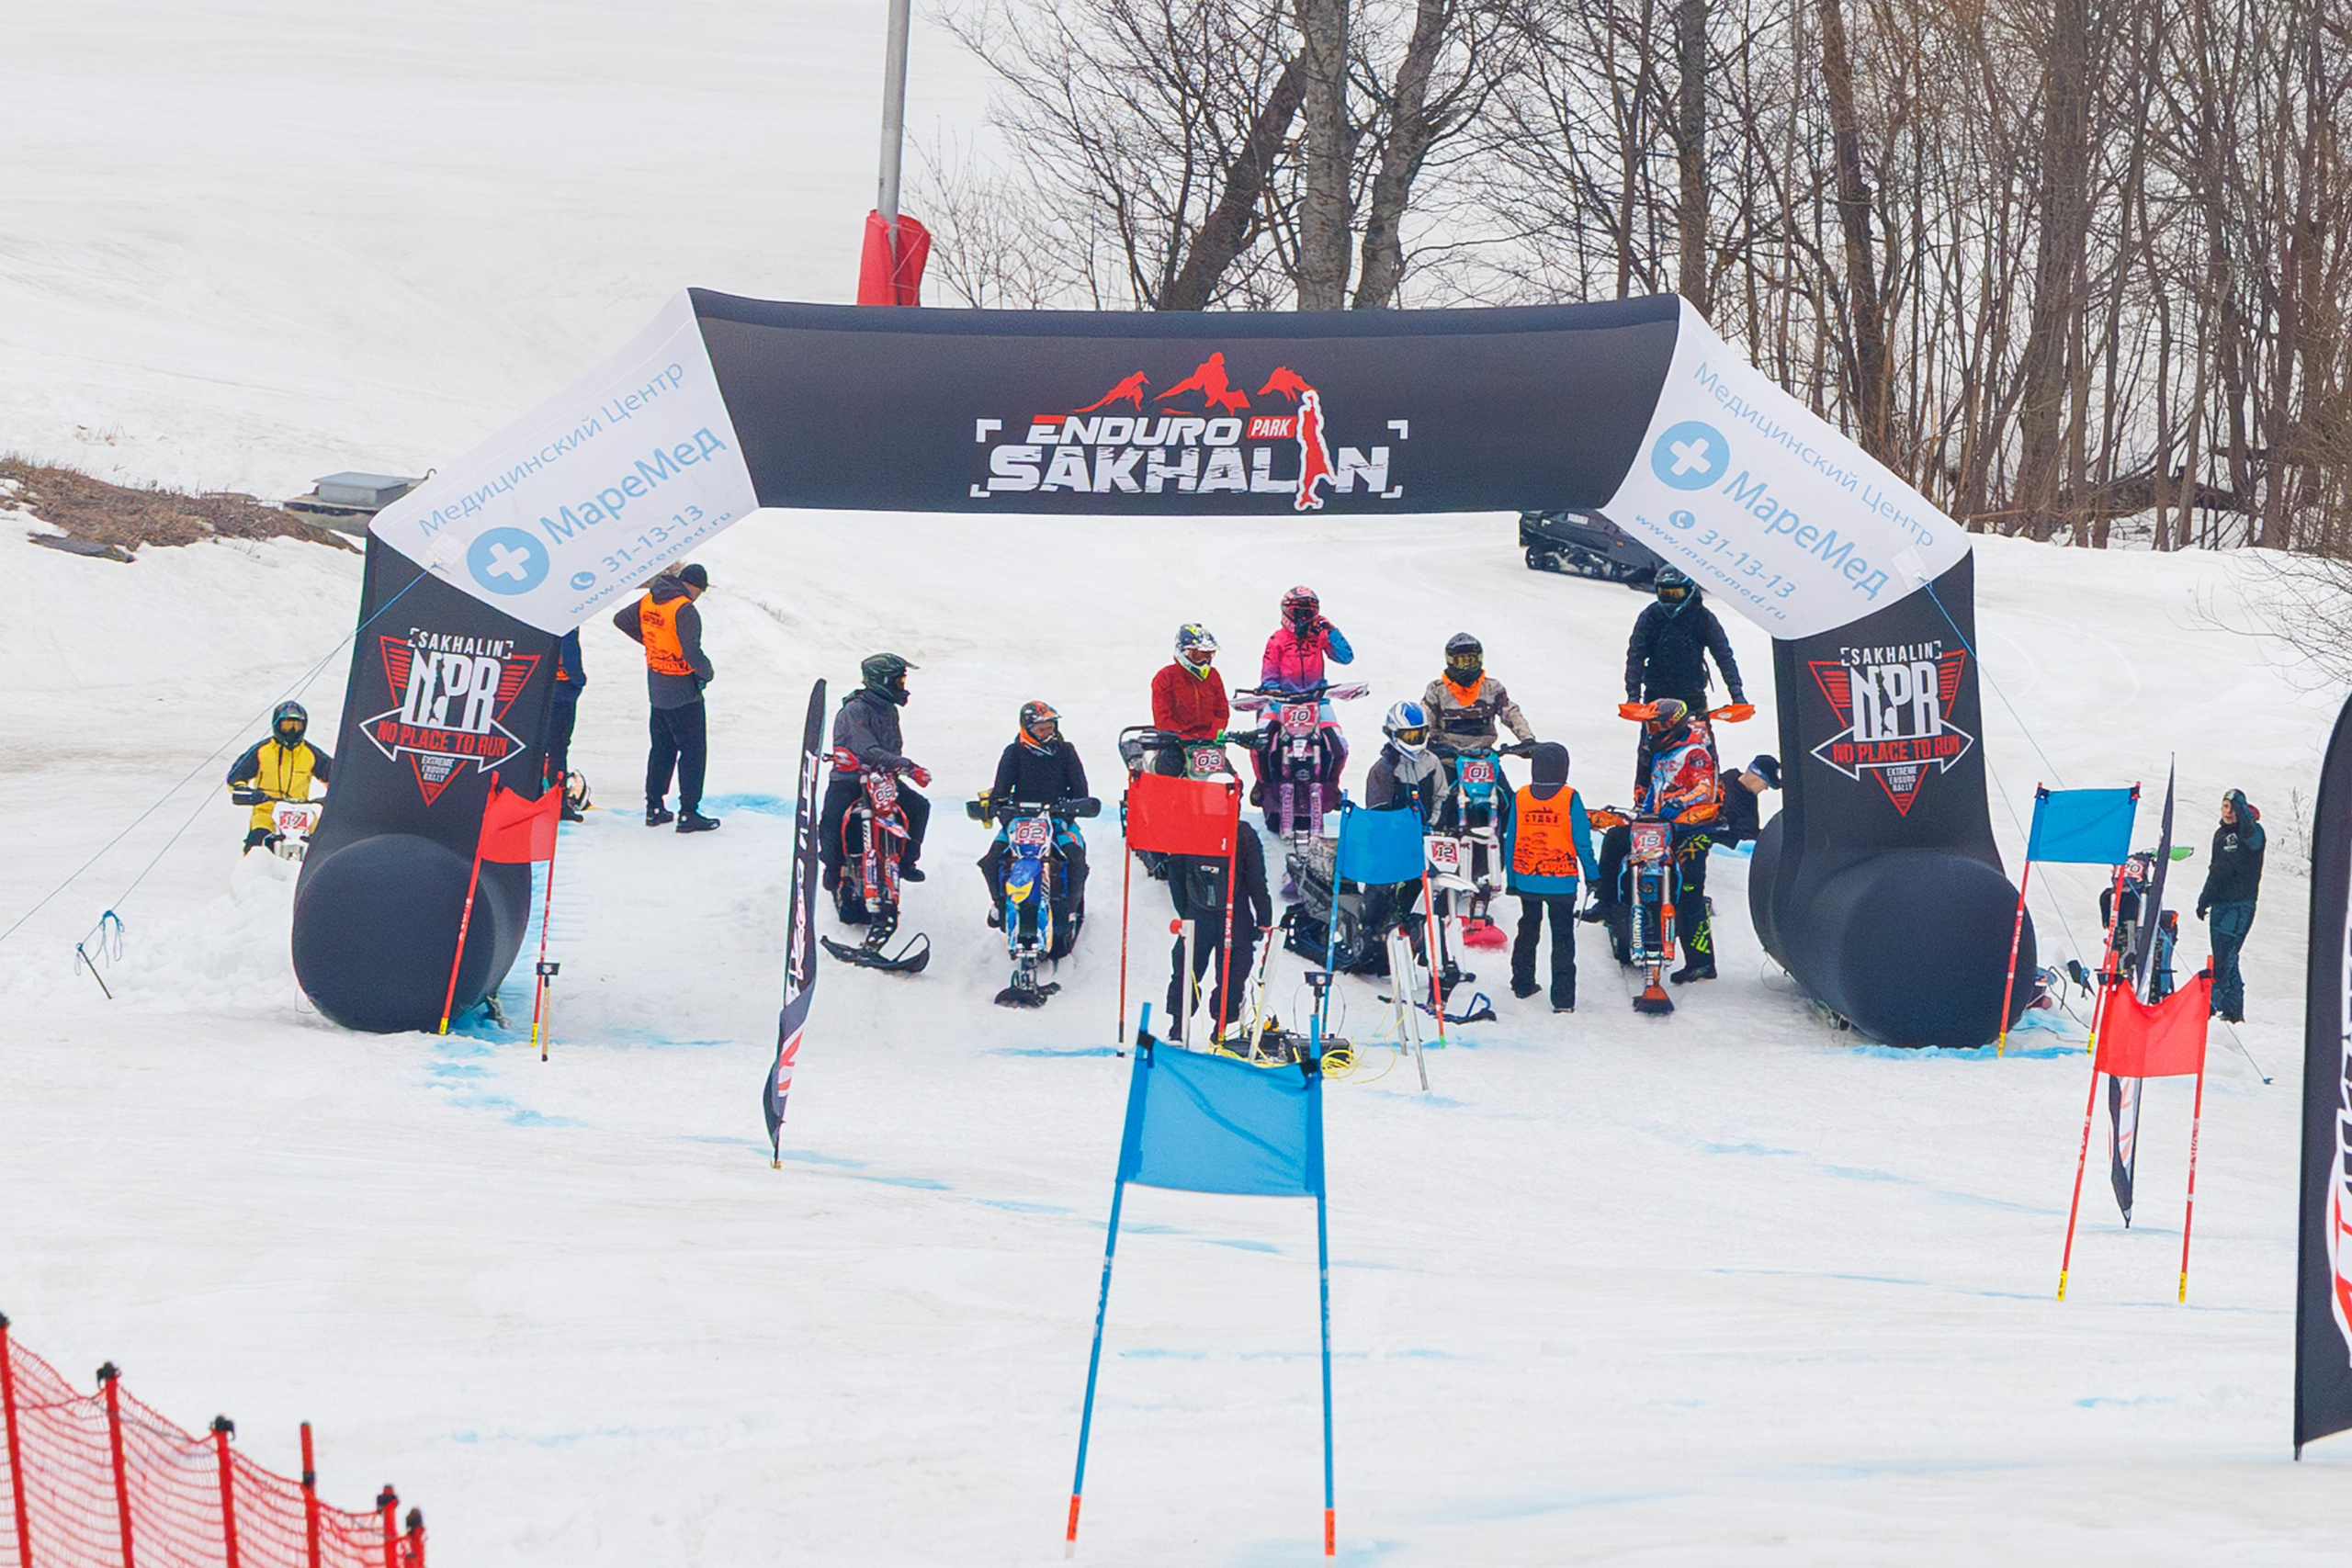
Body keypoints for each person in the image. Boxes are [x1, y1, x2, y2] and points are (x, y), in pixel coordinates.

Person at [1589, 699, 1724, 981]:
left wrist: (1680, 801)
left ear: (1674, 725)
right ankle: (1608, 901)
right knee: (1615, 839)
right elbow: (1655, 788)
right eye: (1650, 725)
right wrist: (1643, 815)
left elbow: (1705, 789)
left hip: (1690, 831)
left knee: (1688, 895)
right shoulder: (1661, 754)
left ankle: (1701, 963)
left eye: (1657, 725)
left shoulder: (1696, 753)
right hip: (1659, 826)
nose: (1653, 731)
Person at [612, 563, 718, 833]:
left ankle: (654, 807)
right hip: (683, 692)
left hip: (657, 688)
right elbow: (691, 653)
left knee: (662, 748)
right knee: (693, 752)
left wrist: (653, 644)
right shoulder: (684, 609)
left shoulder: (651, 598)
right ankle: (689, 813)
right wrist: (707, 672)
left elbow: (621, 619)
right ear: (694, 586)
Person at [820, 653, 933, 892]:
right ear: (882, 680)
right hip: (850, 778)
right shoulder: (856, 710)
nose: (902, 687)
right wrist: (909, 767)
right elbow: (867, 750)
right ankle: (832, 867)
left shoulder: (888, 709)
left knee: (919, 806)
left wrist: (896, 768)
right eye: (899, 681)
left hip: (882, 781)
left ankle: (906, 862)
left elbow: (890, 747)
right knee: (832, 820)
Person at [1499, 742, 1598, 1010]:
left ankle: (1522, 983)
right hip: (1561, 880)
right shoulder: (1569, 797)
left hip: (1527, 876)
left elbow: (1511, 840)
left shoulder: (1521, 797)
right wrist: (1593, 875)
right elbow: (1583, 842)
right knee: (1563, 936)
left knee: (1528, 928)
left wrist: (1512, 880)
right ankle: (1563, 999)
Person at [978, 701, 1091, 919]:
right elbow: (1000, 791)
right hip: (1021, 822)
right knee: (991, 860)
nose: (1047, 734)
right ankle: (998, 904)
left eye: (1050, 728)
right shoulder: (1014, 753)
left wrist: (1071, 809)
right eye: (1041, 729)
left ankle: (1070, 908)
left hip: (1058, 820)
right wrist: (997, 808)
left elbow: (1081, 790)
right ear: (1027, 730)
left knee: (1075, 857)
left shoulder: (1066, 751)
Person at [1254, 586, 1354, 810]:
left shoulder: (1319, 638)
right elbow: (1268, 676)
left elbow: (1346, 657)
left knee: (1339, 746)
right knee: (1259, 742)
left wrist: (1332, 631)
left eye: (1309, 613)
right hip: (1282, 702)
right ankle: (1262, 784)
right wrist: (1272, 691)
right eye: (1298, 612)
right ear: (1287, 612)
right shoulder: (1276, 640)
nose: (1303, 618)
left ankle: (1332, 786)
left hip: (1316, 701)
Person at [1168, 821, 1271, 1038]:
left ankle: (1193, 1027)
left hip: (1215, 913)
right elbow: (1256, 878)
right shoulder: (1242, 833)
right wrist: (1264, 917)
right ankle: (1204, 1027)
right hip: (1224, 914)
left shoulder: (1191, 829)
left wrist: (1185, 912)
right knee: (1206, 969)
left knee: (1198, 968)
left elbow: (1175, 876)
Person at [1624, 567, 1747, 715]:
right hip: (1656, 697)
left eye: (1676, 594)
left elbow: (1724, 656)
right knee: (1655, 736)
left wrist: (1737, 695)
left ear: (1689, 591)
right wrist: (1633, 697)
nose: (1671, 600)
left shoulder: (1703, 617)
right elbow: (1636, 656)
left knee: (1698, 736)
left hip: (1692, 697)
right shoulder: (1651, 615)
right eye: (1665, 593)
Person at [2196, 788, 2265, 1023]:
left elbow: (2253, 841)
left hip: (2240, 904)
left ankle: (2215, 1005)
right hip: (2220, 903)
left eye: (2232, 808)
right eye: (2225, 806)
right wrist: (2204, 899)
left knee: (2227, 954)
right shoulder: (2219, 836)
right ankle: (2233, 1010)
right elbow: (2215, 871)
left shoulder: (2253, 833)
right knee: (2223, 956)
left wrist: (2242, 811)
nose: (2228, 812)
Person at [226, 700, 331, 852]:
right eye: (287, 726)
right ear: (276, 724)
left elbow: (335, 776)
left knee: (321, 848)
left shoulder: (311, 753)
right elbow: (235, 777)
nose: (292, 731)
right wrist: (245, 792)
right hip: (267, 810)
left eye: (297, 726)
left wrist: (335, 797)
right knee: (256, 845)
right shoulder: (262, 750)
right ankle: (254, 871)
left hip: (301, 812)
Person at [1422, 633, 1536, 766]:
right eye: (1461, 661)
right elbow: (1425, 717)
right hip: (1449, 759)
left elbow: (1511, 713)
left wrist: (1527, 739)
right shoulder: (1438, 690)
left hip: (1485, 758)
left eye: (1472, 660)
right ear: (1451, 661)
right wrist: (1426, 741)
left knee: (1504, 788)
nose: (1467, 667)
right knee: (1436, 786)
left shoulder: (1492, 688)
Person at [1150, 624, 1229, 774]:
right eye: (1199, 655)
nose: (1205, 660)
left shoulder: (1213, 676)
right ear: (1185, 652)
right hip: (1176, 743)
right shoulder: (1166, 677)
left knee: (1229, 777)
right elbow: (1162, 719)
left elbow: (1221, 712)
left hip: (1207, 745)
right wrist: (1185, 738)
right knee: (1170, 772)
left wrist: (1212, 735)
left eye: (1209, 655)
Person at [544, 628, 586, 820]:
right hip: (562, 688)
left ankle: (538, 794)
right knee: (558, 748)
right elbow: (569, 649)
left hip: (540, 684)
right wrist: (578, 680)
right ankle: (558, 803)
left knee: (541, 746)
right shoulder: (566, 613)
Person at [1713, 754, 1781, 848]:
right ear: (1755, 779)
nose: (1766, 789)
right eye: (1766, 784)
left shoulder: (1728, 780)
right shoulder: (1734, 805)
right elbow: (1745, 840)